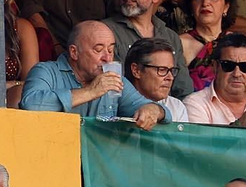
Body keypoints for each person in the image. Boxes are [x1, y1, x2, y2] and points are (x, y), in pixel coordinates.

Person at [20, 20, 168, 127]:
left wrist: (153, 110)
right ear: (74, 52)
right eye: (98, 50)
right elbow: (30, 104)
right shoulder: (46, 71)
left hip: (98, 165)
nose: (107, 58)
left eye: (110, 50)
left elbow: (156, 109)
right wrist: (90, 91)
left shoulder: (114, 80)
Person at [110, 0, 193, 100]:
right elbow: (111, 89)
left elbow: (183, 90)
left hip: (167, 116)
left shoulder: (170, 36)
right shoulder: (106, 31)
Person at [181, 34, 246, 128]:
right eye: (228, 65)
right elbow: (200, 145)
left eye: (245, 66)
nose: (237, 74)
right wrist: (240, 124)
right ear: (215, 67)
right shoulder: (195, 104)